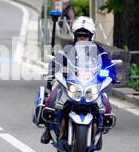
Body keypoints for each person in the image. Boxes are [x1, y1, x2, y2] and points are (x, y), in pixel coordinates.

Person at [40, 16, 117, 144]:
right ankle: (48, 128)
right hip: (72, 82)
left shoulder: (98, 50)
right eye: (79, 35)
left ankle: (101, 128)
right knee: (53, 96)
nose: (82, 37)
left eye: (85, 35)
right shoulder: (68, 49)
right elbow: (57, 60)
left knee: (105, 102)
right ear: (75, 36)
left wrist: (112, 74)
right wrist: (53, 70)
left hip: (91, 84)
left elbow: (108, 64)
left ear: (91, 36)